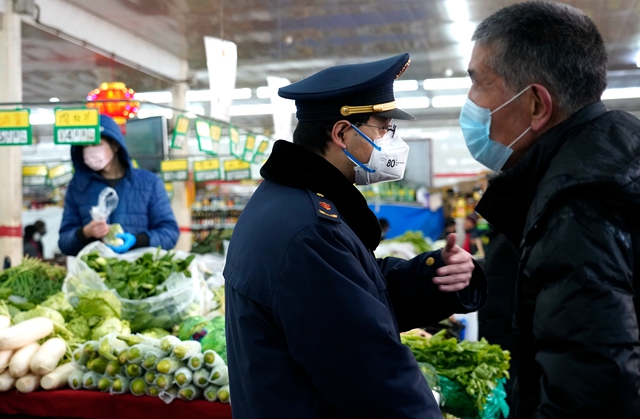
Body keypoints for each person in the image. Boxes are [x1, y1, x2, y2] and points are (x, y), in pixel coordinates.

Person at [223, 53, 487, 419]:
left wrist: (432, 275)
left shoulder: (284, 200)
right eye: (384, 128)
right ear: (343, 134)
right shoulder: (310, 230)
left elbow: (353, 290)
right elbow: (372, 372)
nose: (392, 141)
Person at [462, 2, 640, 418]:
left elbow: (594, 392)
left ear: (537, 106)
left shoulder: (578, 207)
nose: (469, 103)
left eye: (477, 84)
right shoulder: (612, 159)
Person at [58, 115, 179, 256]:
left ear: (115, 145)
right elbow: (64, 243)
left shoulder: (150, 183)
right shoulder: (78, 187)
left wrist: (137, 240)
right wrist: (85, 232)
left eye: (95, 144)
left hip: (139, 272)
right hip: (95, 274)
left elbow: (169, 233)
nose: (89, 150)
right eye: (85, 146)